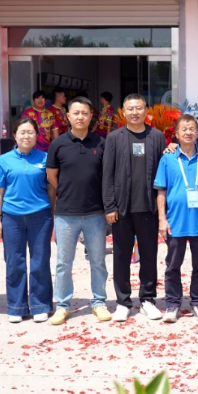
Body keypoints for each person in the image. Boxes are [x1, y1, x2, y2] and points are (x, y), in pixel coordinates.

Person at [47, 96, 112, 325]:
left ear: (91, 116)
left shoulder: (101, 143)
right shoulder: (58, 144)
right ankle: (63, 305)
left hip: (95, 212)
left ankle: (99, 301)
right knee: (64, 263)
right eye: (76, 113)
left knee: (98, 261)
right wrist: (68, 192)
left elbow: (106, 175)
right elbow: (52, 176)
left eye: (85, 113)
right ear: (68, 116)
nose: (80, 117)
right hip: (66, 213)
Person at [102, 94, 167, 322]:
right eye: (130, 109)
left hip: (148, 208)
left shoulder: (156, 136)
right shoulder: (114, 138)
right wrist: (109, 205)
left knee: (149, 256)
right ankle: (123, 302)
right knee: (121, 256)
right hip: (122, 209)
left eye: (139, 108)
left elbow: (164, 170)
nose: (135, 112)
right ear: (123, 111)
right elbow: (107, 174)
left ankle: (147, 300)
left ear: (146, 110)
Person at [154, 114, 198, 323]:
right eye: (184, 129)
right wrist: (162, 219)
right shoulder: (168, 159)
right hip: (176, 222)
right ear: (176, 133)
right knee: (173, 266)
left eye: (192, 128)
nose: (188, 132)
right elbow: (161, 191)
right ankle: (173, 305)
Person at [0, 118, 55, 323]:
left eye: (30, 132)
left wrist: (52, 213)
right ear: (15, 135)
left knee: (40, 261)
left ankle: (40, 305)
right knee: (14, 262)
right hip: (12, 217)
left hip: (40, 216)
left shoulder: (45, 158)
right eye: (22, 132)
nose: (26, 136)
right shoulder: (4, 160)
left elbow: (51, 188)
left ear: (37, 135)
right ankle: (16, 307)